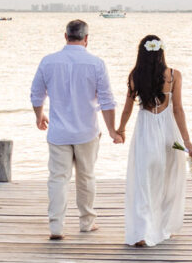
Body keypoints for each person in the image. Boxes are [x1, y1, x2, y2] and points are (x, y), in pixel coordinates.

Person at [30, 19, 123, 239]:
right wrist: (112, 130)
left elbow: (36, 94)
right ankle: (87, 222)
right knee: (86, 177)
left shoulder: (48, 62)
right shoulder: (96, 64)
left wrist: (39, 116)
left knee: (58, 178)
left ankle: (56, 227)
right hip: (87, 132)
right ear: (87, 39)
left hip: (59, 132)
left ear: (65, 36)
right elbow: (107, 101)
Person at [117, 34, 192, 247]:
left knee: (143, 180)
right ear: (161, 52)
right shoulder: (173, 75)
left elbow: (127, 108)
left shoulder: (135, 75)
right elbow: (178, 109)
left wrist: (120, 130)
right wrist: (186, 141)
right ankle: (162, 228)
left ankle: (142, 231)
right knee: (169, 179)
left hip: (146, 130)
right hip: (169, 131)